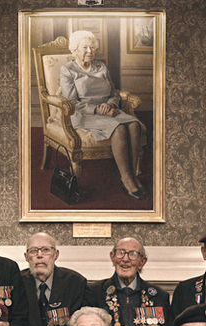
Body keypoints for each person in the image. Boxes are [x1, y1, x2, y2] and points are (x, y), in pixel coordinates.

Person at [60, 30, 147, 199]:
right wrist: (96, 109)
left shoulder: (101, 67)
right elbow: (70, 102)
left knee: (134, 125)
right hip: (84, 113)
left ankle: (134, 175)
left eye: (92, 47)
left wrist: (110, 104)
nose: (89, 51)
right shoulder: (68, 70)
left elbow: (114, 93)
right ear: (75, 49)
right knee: (119, 128)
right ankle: (126, 178)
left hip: (108, 110)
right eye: (85, 47)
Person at [21, 231, 88, 326]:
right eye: (33, 251)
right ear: (26, 257)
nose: (39, 255)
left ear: (56, 254)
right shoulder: (18, 282)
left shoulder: (75, 283)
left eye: (46, 250)